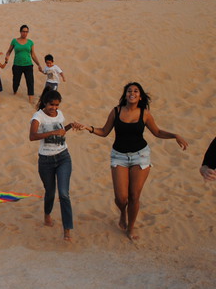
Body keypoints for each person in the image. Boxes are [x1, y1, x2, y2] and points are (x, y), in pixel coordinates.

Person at [76, 82, 188, 240]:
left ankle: (131, 227)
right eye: (129, 91)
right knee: (121, 198)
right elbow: (104, 131)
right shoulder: (116, 111)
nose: (132, 93)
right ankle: (123, 212)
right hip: (119, 156)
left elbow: (157, 132)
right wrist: (88, 128)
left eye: (136, 91)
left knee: (134, 195)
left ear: (140, 96)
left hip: (140, 156)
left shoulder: (145, 113)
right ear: (125, 95)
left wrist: (175, 135)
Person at [29, 88, 76, 241]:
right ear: (45, 103)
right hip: (46, 160)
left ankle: (67, 229)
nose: (54, 108)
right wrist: (52, 133)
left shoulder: (60, 114)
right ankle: (47, 213)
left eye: (56, 105)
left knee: (63, 193)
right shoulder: (38, 116)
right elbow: (32, 136)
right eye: (51, 105)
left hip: (63, 157)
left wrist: (69, 126)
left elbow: (61, 132)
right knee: (50, 192)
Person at [4, 24, 43, 103]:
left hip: (28, 65)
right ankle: (15, 91)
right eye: (23, 31)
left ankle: (30, 99)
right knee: (16, 81)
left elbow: (33, 54)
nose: (25, 33)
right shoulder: (14, 41)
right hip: (17, 65)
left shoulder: (30, 42)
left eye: (26, 32)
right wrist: (7, 56)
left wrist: (38, 64)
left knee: (30, 82)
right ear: (20, 32)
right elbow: (9, 51)